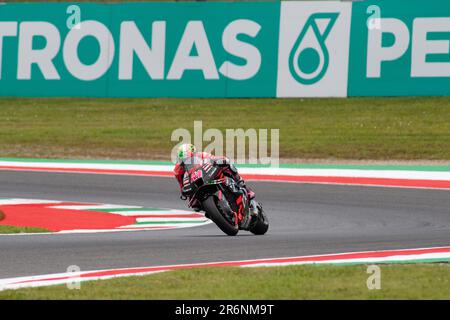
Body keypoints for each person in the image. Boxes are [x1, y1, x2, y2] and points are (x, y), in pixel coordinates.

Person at [174, 143, 257, 219]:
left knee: (226, 164)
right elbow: (182, 185)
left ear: (195, 154)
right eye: (185, 161)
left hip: (207, 175)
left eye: (190, 159)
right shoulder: (178, 170)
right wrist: (185, 193)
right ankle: (213, 212)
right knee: (195, 205)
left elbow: (213, 159)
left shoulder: (202, 155)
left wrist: (220, 161)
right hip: (195, 183)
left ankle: (243, 186)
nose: (188, 162)